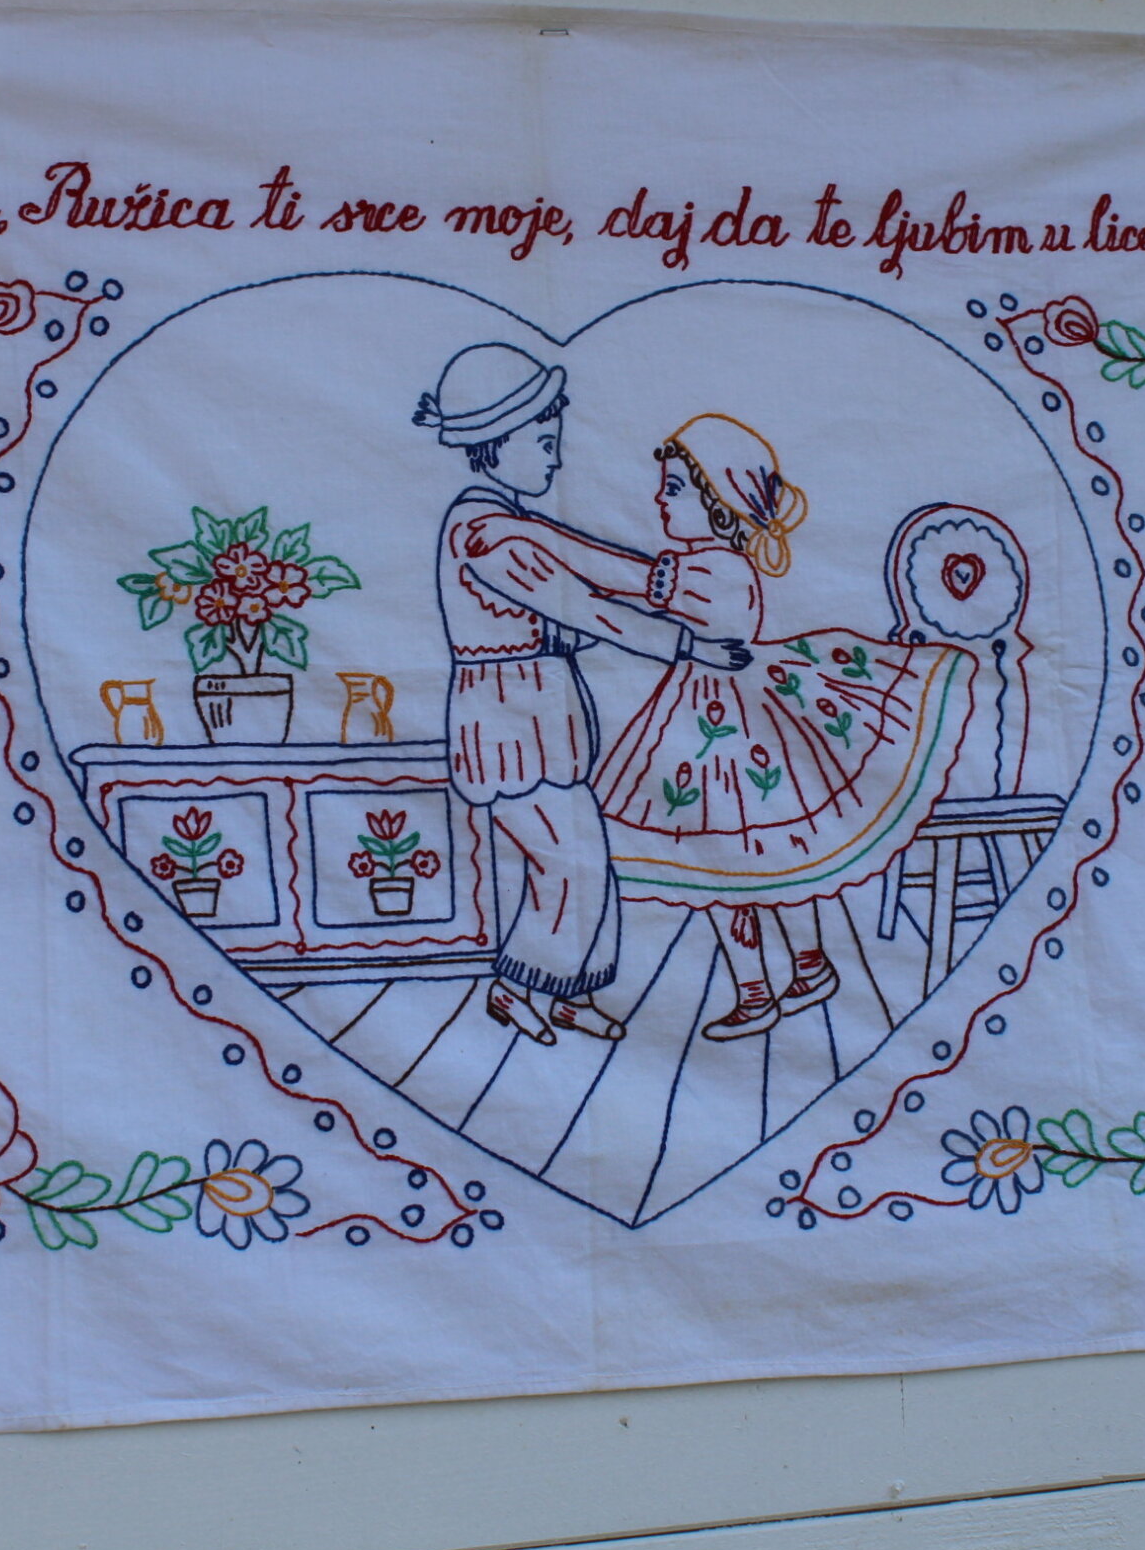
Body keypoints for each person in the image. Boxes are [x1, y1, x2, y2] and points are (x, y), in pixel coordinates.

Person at [465, 413, 976, 1041]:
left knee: (723, 859)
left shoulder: (714, 570)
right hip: (722, 719)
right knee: (767, 851)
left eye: (676, 488)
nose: (659, 499)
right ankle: (802, 969)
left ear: (721, 502)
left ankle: (762, 990)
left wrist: (533, 533)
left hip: (722, 731)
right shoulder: (708, 564)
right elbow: (619, 588)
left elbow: (617, 575)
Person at [417, 345, 752, 1047]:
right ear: (497, 442)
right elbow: (579, 601)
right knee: (566, 862)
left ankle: (569, 994)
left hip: (540, 710)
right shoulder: (484, 534)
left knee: (584, 856)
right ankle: (514, 988)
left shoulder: (510, 521)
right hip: (505, 720)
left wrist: (668, 580)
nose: (557, 458)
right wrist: (685, 641)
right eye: (544, 443)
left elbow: (583, 555)